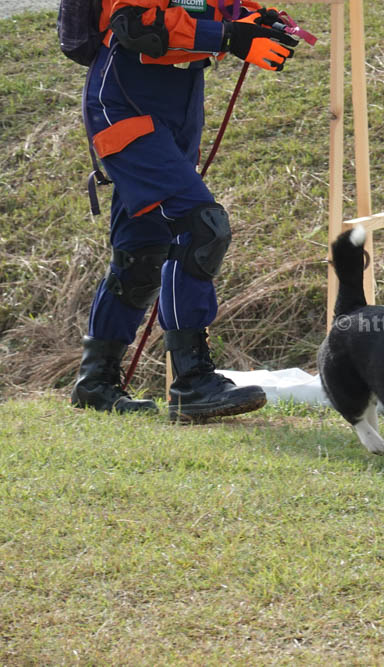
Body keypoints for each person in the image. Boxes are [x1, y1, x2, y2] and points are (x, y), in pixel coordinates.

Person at [70, 0, 298, 420]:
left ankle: (95, 383)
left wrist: (255, 22)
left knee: (143, 247)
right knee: (201, 227)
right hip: (123, 102)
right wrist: (229, 38)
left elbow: (224, 10)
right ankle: (192, 381)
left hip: (178, 106)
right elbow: (135, 24)